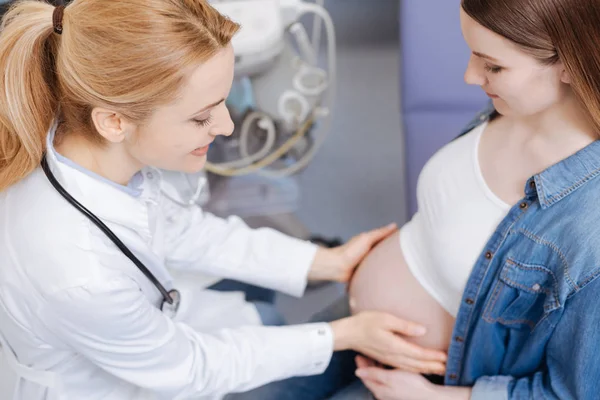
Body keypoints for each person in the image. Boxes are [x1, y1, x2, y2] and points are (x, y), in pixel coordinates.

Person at [0, 0, 451, 399]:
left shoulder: (90, 142)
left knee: (285, 329)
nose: (227, 127)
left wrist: (325, 262)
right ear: (114, 122)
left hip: (171, 326)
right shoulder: (78, 273)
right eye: (201, 117)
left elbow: (179, 227)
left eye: (223, 102)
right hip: (138, 379)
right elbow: (190, 369)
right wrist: (341, 334)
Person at [230, 0, 600, 399]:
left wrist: (431, 397)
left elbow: (573, 391)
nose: (470, 76)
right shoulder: (511, 106)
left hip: (421, 383)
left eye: (493, 66)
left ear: (569, 62)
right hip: (357, 322)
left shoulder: (588, 224)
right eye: (472, 54)